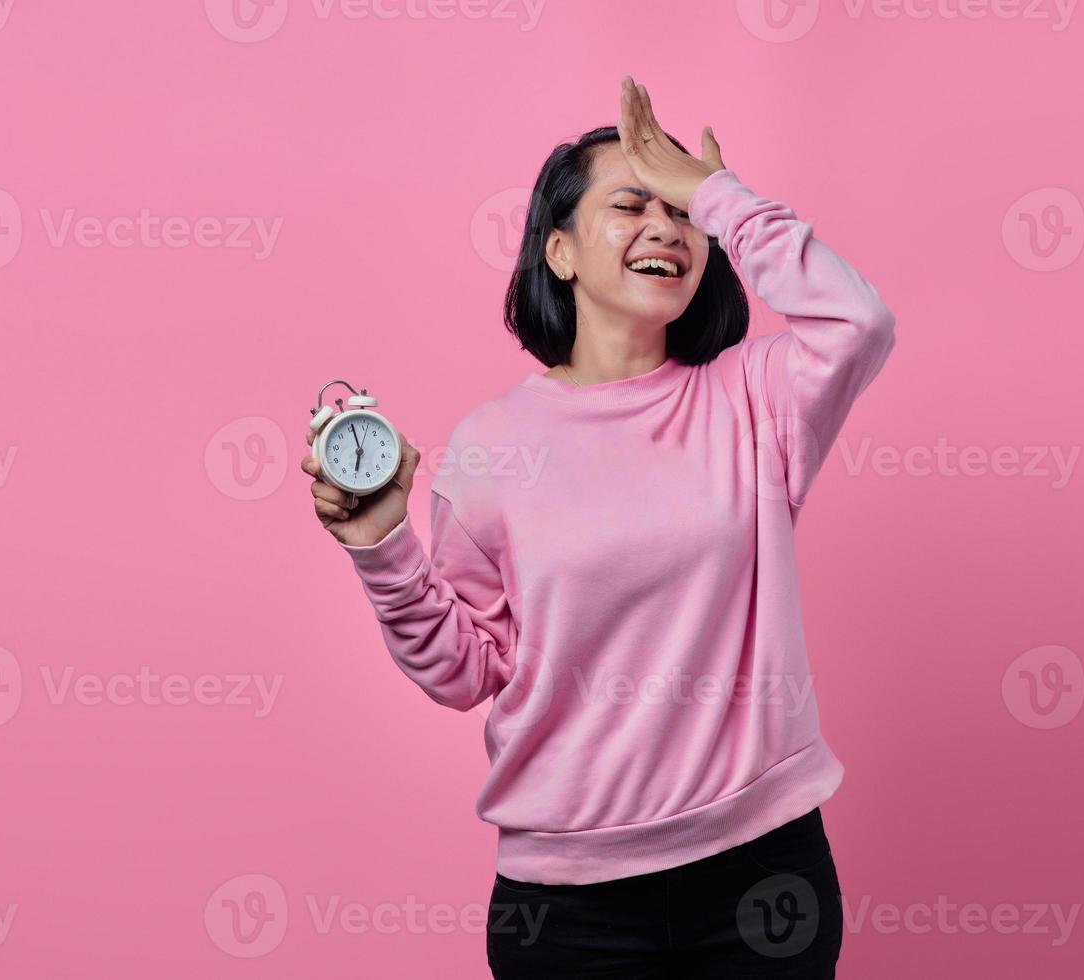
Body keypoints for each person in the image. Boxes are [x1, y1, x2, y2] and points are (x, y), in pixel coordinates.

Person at [301, 75, 897, 977]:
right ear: (561, 252)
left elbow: (859, 322)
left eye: (683, 212)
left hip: (762, 872)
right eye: (632, 204)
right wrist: (382, 549)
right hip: (568, 900)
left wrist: (723, 197)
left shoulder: (754, 399)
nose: (667, 227)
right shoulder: (491, 446)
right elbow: (466, 672)